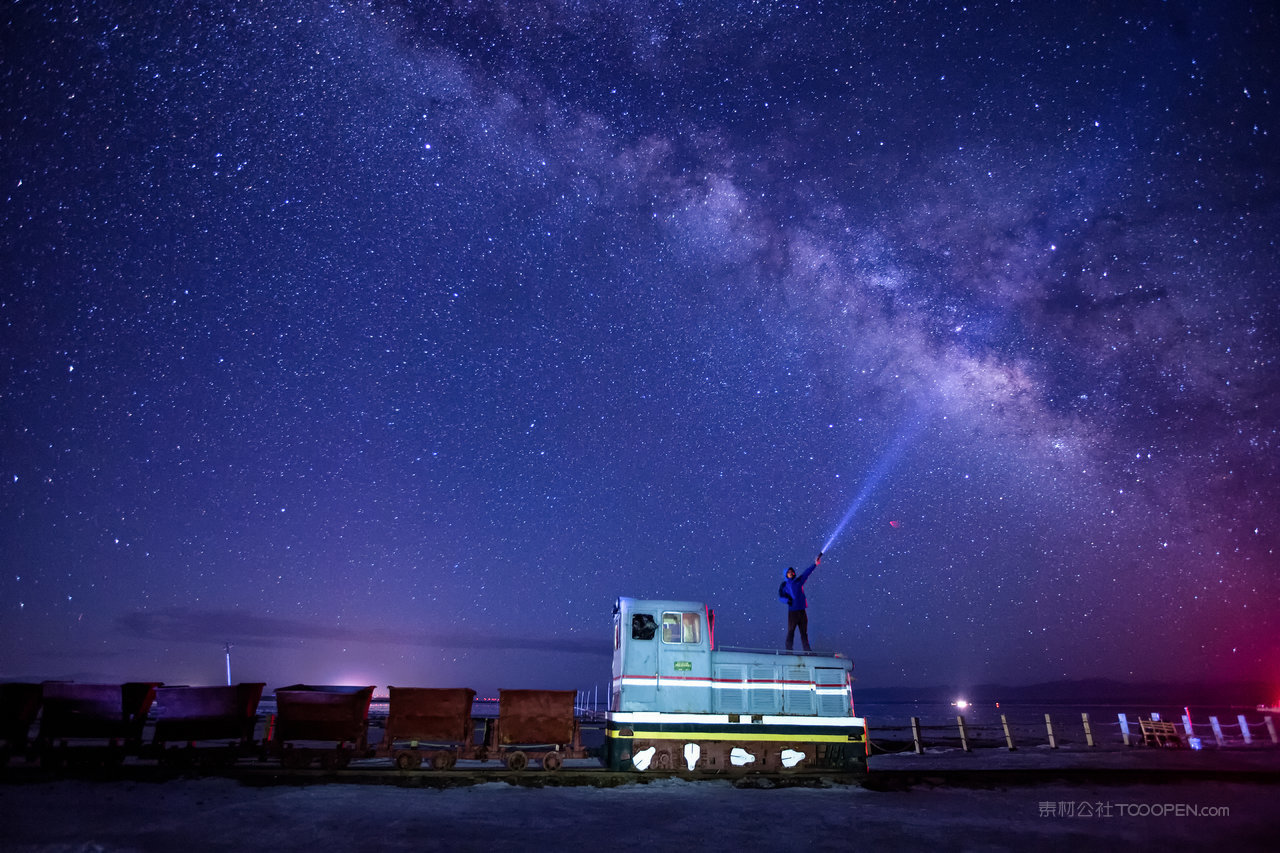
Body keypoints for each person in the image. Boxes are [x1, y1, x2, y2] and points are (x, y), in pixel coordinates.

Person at [778, 551, 822, 651]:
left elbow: (807, 572)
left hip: (802, 610)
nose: (790, 573)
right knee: (791, 631)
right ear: (786, 574)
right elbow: (780, 596)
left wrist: (815, 564)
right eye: (788, 572)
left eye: (791, 571)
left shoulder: (798, 581)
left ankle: (807, 651)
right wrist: (787, 600)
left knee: (804, 632)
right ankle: (788, 651)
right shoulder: (784, 585)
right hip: (793, 611)